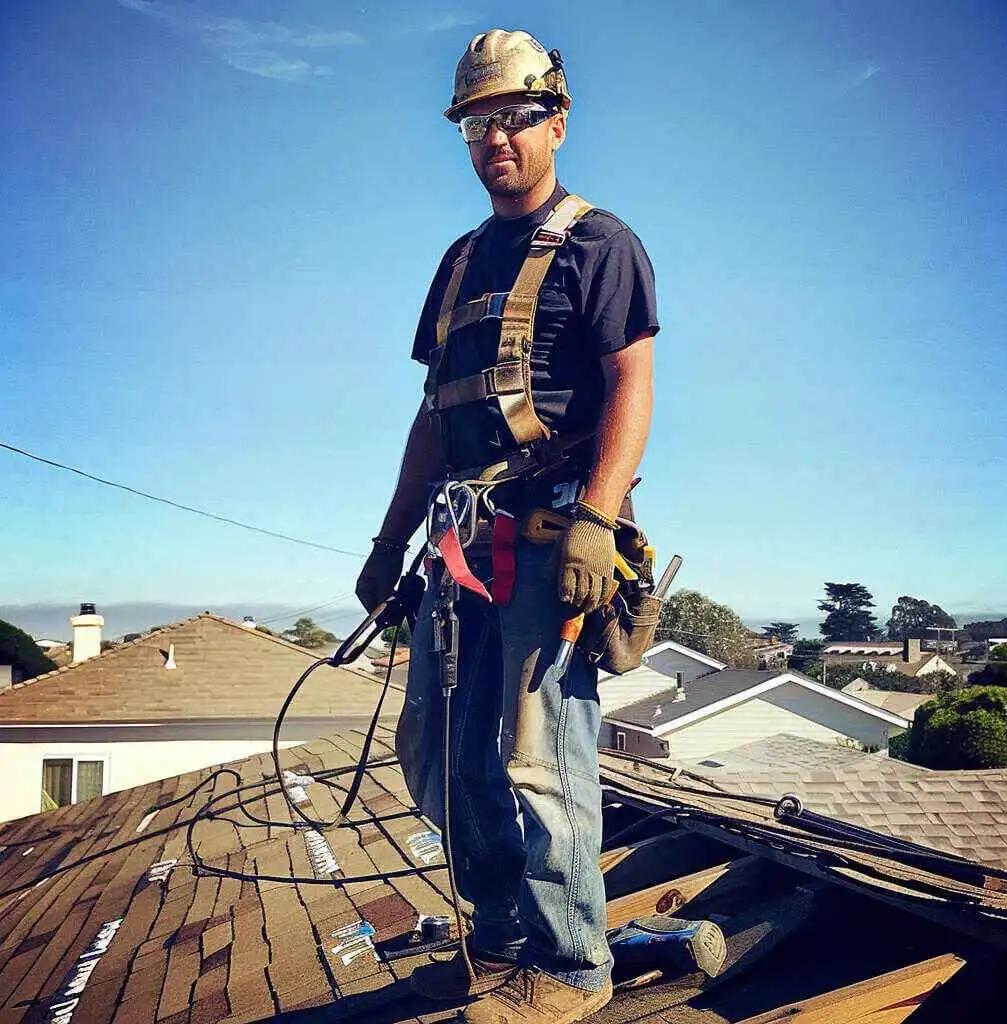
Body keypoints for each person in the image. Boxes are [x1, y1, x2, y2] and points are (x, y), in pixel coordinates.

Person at [355, 28, 658, 1024]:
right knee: (447, 755)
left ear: (554, 122)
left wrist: (598, 522)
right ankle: (498, 942)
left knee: (539, 754)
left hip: (547, 538)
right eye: (479, 122)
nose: (497, 138)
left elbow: (631, 380)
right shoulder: (455, 265)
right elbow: (434, 415)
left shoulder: (598, 242)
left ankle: (572, 967)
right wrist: (386, 540)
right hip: (457, 548)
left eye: (515, 118)